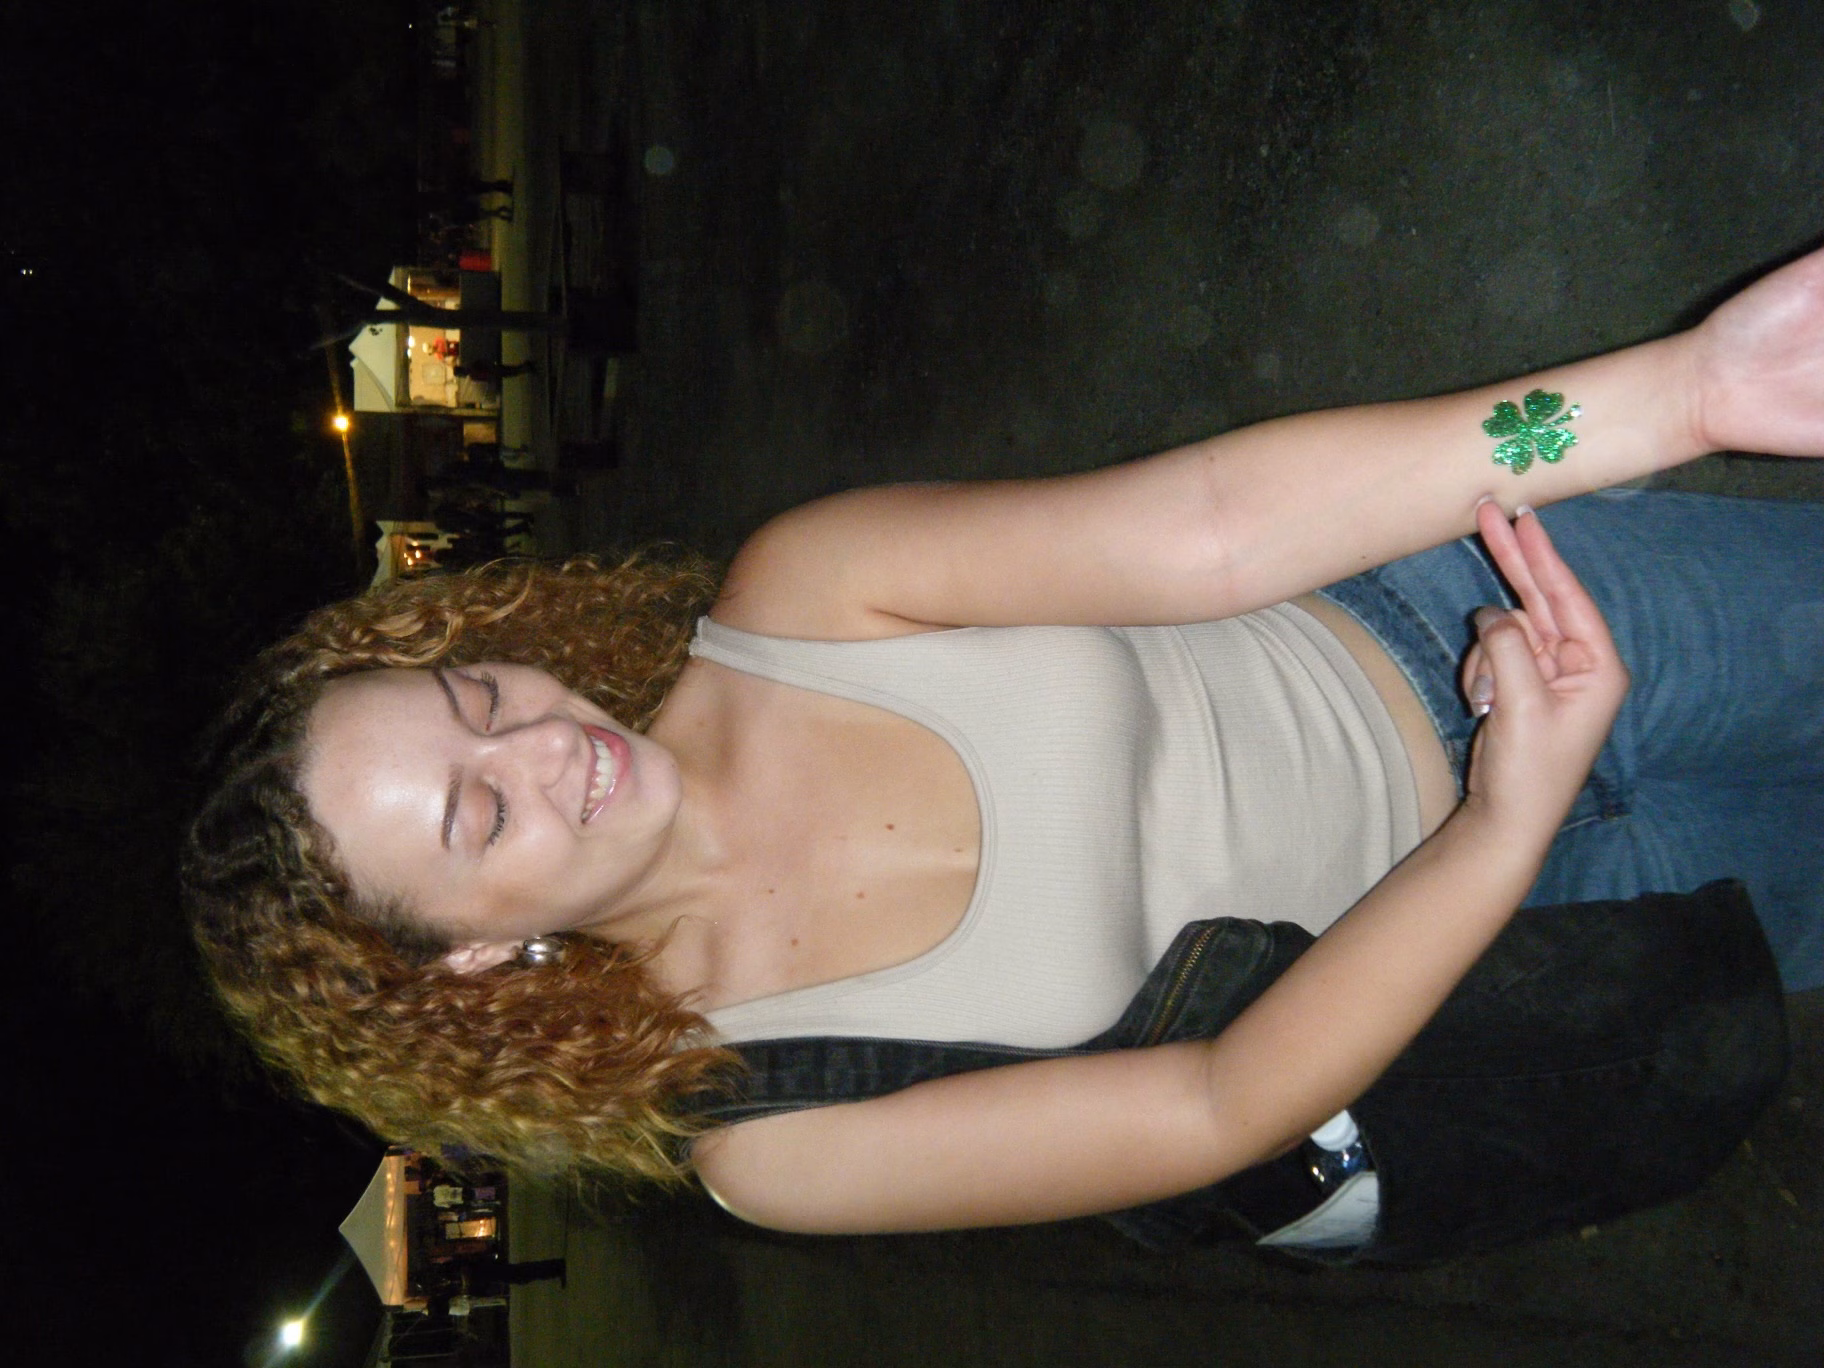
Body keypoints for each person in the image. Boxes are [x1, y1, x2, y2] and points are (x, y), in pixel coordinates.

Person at [184, 244, 1824, 1255]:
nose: (545, 746)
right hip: (1540, 930)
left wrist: (1679, 395)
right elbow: (1217, 1105)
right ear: (470, 961)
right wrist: (1503, 825)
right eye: (477, 817)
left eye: (481, 699)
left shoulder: (800, 595)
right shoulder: (771, 1135)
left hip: (1495, 614)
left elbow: (1214, 527)